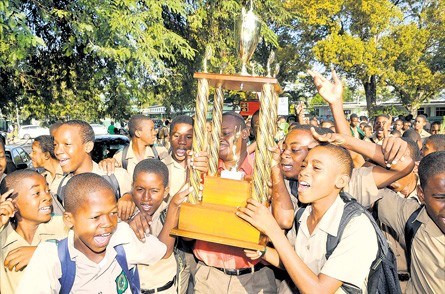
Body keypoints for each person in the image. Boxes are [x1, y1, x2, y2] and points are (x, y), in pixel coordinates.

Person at [237, 144, 378, 293]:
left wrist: (272, 229)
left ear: (341, 181)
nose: (303, 172)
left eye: (316, 168)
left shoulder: (357, 227)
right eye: (304, 166)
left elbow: (318, 290)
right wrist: (263, 251)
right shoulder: (304, 214)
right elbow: (293, 262)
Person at [15, 173, 167, 293]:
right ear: (69, 219)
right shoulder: (50, 257)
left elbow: (162, 251)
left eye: (113, 213)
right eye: (95, 217)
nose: (108, 223)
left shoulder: (122, 237)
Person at [193, 112, 276, 294]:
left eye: (226, 133)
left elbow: (282, 225)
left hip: (254, 280)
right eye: (216, 134)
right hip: (209, 278)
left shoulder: (263, 173)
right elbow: (187, 230)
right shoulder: (202, 172)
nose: (220, 139)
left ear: (245, 133)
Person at [355, 152, 445, 294]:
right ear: (421, 195)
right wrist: (349, 142)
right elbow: (363, 178)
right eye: (440, 198)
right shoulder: (412, 217)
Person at [128, 159, 193, 294]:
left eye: (154, 191)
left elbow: (164, 251)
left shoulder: (169, 212)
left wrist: (174, 206)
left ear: (165, 192)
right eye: (140, 189)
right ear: (132, 187)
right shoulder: (124, 213)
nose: (146, 198)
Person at [0, 170, 68, 294]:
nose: (47, 197)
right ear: (12, 204)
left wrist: (45, 252)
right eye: (36, 193)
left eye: (47, 191)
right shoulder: (2, 236)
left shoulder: (64, 225)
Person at [53, 120, 132, 220]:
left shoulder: (117, 177)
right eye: (55, 145)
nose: (57, 151)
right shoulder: (57, 188)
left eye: (67, 144)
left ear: (88, 147)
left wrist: (130, 196)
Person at [103, 114, 168, 178]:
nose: (155, 133)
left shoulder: (160, 152)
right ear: (138, 133)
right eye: (151, 130)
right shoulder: (121, 156)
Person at [30, 135, 64, 213]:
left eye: (34, 151)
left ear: (46, 155)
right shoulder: (41, 177)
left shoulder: (67, 175)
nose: (30, 155)